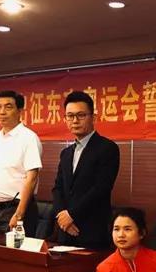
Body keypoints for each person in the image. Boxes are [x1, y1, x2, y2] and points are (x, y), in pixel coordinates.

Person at [51, 91, 120, 248]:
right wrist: (62, 216)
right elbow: (57, 188)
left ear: (93, 118)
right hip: (65, 230)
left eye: (81, 115)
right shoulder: (66, 153)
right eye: (70, 116)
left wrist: (72, 215)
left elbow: (101, 188)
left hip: (92, 230)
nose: (75, 121)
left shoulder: (107, 148)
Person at [0, 90, 43, 237]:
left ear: (20, 111)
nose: (2, 112)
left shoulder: (29, 138)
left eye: (8, 107)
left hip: (17, 208)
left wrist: (19, 214)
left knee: (17, 251)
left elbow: (32, 178)